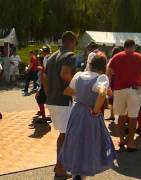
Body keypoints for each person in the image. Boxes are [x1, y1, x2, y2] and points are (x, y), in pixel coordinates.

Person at [60, 52, 116, 179]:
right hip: (90, 114)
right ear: (103, 67)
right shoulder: (102, 77)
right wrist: (96, 110)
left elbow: (67, 91)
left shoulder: (79, 75)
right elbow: (102, 93)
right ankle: (82, 174)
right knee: (89, 143)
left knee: (75, 142)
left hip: (77, 111)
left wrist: (81, 94)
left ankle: (76, 174)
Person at [107, 39, 141, 152]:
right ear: (134, 47)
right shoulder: (139, 57)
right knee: (133, 116)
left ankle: (121, 140)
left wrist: (109, 86)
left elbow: (109, 72)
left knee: (121, 115)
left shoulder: (116, 57)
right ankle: (131, 142)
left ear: (124, 47)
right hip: (133, 90)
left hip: (118, 89)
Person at [44, 31, 77, 179]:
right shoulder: (70, 56)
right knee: (65, 135)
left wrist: (49, 94)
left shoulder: (51, 57)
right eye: (75, 44)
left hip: (52, 100)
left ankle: (60, 166)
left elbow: (43, 78)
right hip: (63, 101)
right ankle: (60, 168)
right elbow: (65, 74)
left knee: (63, 135)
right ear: (71, 42)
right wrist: (77, 90)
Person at [35, 45, 51, 123]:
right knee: (47, 99)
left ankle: (44, 117)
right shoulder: (50, 57)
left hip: (46, 82)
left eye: (42, 51)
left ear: (45, 52)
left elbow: (46, 71)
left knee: (39, 98)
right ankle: (47, 116)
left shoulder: (46, 58)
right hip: (49, 82)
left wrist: (41, 68)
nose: (41, 53)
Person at [106, 47, 122, 121]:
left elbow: (109, 72)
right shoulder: (122, 59)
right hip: (120, 80)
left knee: (111, 98)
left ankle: (112, 115)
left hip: (113, 79)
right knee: (119, 98)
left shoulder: (112, 59)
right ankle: (121, 117)